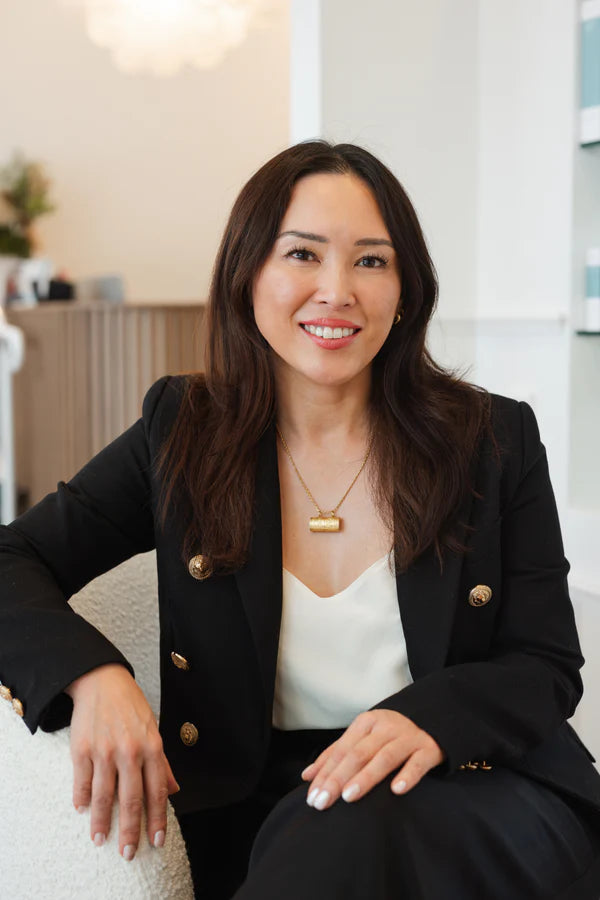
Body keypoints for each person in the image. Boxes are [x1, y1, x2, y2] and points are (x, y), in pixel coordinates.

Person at [1, 140, 600, 900]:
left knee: (352, 821)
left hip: (478, 788)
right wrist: (95, 676)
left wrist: (429, 719)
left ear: (406, 290)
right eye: (303, 255)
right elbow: (11, 557)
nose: (337, 290)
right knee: (324, 825)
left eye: (372, 261)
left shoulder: (491, 439)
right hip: (270, 813)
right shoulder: (182, 430)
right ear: (248, 274)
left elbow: (546, 663)